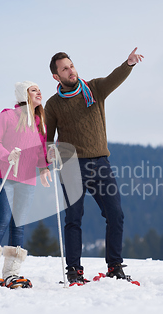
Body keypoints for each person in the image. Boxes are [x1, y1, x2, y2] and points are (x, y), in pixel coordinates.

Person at [44, 48, 144, 285]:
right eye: (64, 69)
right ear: (56, 77)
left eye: (71, 65)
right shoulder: (53, 104)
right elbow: (48, 138)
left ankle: (115, 266)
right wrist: (46, 162)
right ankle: (74, 270)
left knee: (115, 214)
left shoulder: (95, 89)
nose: (70, 71)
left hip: (100, 162)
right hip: (70, 166)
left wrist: (128, 64)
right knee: (74, 217)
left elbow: (113, 79)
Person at [0, 81, 52, 289]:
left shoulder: (39, 121)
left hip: (27, 178)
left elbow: (42, 150)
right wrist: (8, 156)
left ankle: (11, 274)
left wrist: (45, 168)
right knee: (3, 219)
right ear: (23, 94)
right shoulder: (7, 116)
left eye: (39, 90)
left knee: (19, 224)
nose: (39, 92)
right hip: (2, 174)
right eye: (34, 90)